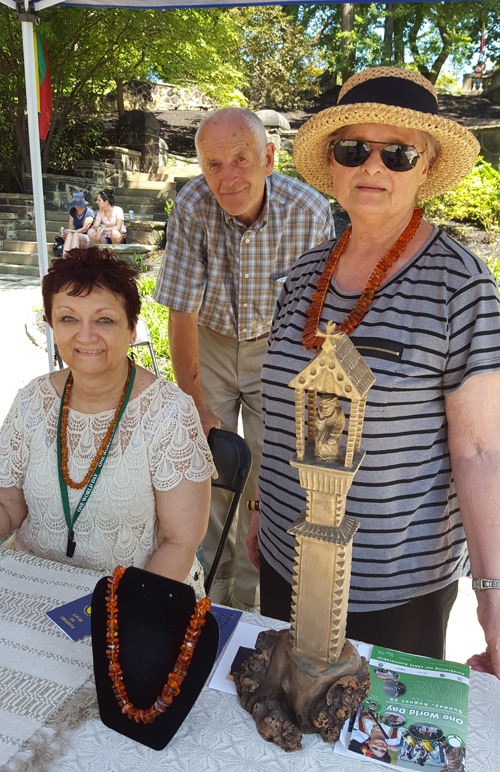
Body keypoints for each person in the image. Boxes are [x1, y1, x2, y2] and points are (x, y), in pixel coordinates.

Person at [247, 67, 500, 676]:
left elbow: (482, 452)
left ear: (426, 165)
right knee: (285, 725)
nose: (374, 167)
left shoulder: (459, 286)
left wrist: (493, 603)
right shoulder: (306, 274)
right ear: (332, 163)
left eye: (399, 153)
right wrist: (262, 507)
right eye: (354, 149)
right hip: (288, 556)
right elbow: (279, 409)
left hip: (395, 587)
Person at [153, 107, 335, 611]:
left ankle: (252, 605)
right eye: (213, 165)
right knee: (205, 459)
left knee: (266, 468)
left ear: (269, 158)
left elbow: (315, 320)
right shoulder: (192, 204)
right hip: (208, 340)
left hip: (274, 347)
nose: (227, 177)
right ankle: (207, 590)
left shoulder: (309, 211)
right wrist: (194, 403)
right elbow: (182, 309)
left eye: (241, 159)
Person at [0, 248, 214, 596]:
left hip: (136, 597)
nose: (85, 336)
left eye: (104, 320)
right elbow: (8, 507)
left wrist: (122, 615)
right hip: (34, 584)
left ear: (132, 329)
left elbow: (178, 542)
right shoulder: (31, 400)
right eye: (68, 318)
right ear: (52, 325)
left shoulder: (169, 411)